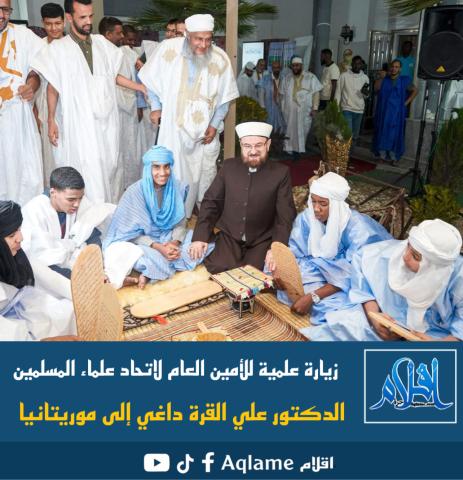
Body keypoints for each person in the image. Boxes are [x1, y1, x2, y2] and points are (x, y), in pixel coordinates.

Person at [31, 0, 146, 204]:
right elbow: (53, 87)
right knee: (85, 169)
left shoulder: (102, 44)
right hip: (79, 124)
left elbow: (112, 76)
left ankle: (108, 214)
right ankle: (86, 216)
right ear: (69, 17)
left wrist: (139, 87)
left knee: (110, 170)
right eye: (82, 17)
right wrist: (51, 119)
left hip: (107, 123)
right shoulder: (58, 49)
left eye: (90, 16)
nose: (88, 22)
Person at [139, 13, 239, 217]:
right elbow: (150, 79)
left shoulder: (220, 58)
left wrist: (214, 124)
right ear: (187, 35)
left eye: (208, 39)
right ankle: (173, 218)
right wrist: (156, 107)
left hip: (204, 132)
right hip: (173, 128)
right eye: (198, 39)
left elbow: (225, 97)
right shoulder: (168, 49)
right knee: (172, 174)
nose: (204, 44)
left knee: (205, 177)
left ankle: (204, 219)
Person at [305, 219, 463, 341]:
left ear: (434, 268)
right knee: (344, 328)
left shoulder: (458, 281)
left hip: (433, 336)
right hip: (383, 322)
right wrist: (374, 316)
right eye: (408, 246)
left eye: (416, 257)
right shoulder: (388, 255)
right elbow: (363, 277)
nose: (405, 257)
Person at [273, 172, 391, 327]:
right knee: (275, 274)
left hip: (351, 279)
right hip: (320, 268)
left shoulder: (359, 229)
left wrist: (313, 296)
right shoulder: (308, 218)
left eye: (323, 204)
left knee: (336, 309)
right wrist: (284, 272)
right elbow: (296, 252)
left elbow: (356, 272)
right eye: (313, 201)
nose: (316, 209)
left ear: (336, 205)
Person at [190, 121, 296, 274]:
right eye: (247, 146)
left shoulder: (280, 173)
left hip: (261, 239)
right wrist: (200, 236)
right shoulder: (228, 167)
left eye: (258, 145)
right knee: (218, 267)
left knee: (254, 274)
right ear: (241, 145)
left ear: (268, 144)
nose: (253, 151)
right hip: (230, 237)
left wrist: (277, 247)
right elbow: (211, 202)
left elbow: (285, 215)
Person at [103, 146, 212, 290]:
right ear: (148, 168)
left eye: (166, 166)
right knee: (133, 255)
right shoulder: (134, 193)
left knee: (200, 244)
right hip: (146, 243)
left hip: (169, 237)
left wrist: (174, 243)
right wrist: (159, 247)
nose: (163, 173)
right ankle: (153, 270)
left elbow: (180, 222)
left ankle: (152, 272)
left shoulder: (176, 187)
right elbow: (129, 235)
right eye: (156, 167)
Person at [0, 200, 77, 341]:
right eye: (11, 235)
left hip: (21, 307)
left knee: (72, 311)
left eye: (19, 229)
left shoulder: (16, 255)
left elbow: (49, 277)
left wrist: (83, 294)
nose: (20, 238)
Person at [21, 167, 114, 280]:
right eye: (71, 200)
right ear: (53, 192)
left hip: (76, 264)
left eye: (80, 198)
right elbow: (40, 258)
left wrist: (96, 266)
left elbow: (92, 235)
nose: (77, 204)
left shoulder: (80, 203)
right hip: (49, 272)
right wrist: (79, 277)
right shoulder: (34, 211)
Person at [0, 0, 44, 205]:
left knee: (23, 173)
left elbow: (37, 71)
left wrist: (31, 86)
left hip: (18, 116)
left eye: (6, 10)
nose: (2, 15)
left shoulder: (24, 36)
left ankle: (23, 220)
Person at [100, 16, 141, 194]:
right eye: (119, 33)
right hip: (108, 110)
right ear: (108, 35)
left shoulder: (124, 53)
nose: (122, 36)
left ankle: (129, 187)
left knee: (128, 149)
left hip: (125, 109)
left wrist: (137, 101)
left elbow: (134, 73)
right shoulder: (101, 53)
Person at [35, 3, 65, 188]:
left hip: (69, 105)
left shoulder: (72, 46)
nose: (53, 28)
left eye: (57, 23)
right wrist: (36, 114)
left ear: (65, 21)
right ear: (42, 23)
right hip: (45, 107)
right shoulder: (37, 47)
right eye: (48, 24)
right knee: (49, 154)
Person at [373, 59, 418, 164]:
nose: (394, 69)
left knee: (395, 134)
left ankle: (393, 157)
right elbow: (376, 89)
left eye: (397, 67)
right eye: (393, 66)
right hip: (384, 111)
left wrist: (406, 103)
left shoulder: (404, 80)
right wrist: (380, 77)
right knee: (382, 131)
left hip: (396, 113)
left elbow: (415, 91)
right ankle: (382, 156)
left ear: (400, 69)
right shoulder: (385, 79)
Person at [280, 56, 322, 157]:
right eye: (293, 65)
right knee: (290, 129)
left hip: (304, 109)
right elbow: (282, 95)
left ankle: (300, 149)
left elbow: (316, 93)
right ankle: (289, 148)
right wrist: (282, 108)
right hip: (290, 109)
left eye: (297, 65)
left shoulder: (311, 77)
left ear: (301, 66)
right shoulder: (287, 78)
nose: (295, 67)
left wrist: (315, 108)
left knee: (303, 128)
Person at [335, 55, 370, 146]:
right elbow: (338, 92)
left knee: (355, 135)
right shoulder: (344, 76)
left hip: (359, 109)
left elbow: (366, 96)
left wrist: (365, 93)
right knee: (347, 133)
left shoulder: (365, 78)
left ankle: (350, 151)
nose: (356, 66)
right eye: (355, 63)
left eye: (359, 64)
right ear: (352, 64)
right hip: (347, 108)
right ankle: (344, 152)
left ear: (362, 65)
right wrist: (336, 107)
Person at [257, 60, 286, 134]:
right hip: (268, 109)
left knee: (281, 131)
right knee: (268, 130)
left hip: (281, 110)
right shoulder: (265, 79)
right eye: (274, 68)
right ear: (272, 69)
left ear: (280, 68)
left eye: (278, 67)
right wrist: (262, 109)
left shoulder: (284, 79)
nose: (276, 69)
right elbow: (261, 96)